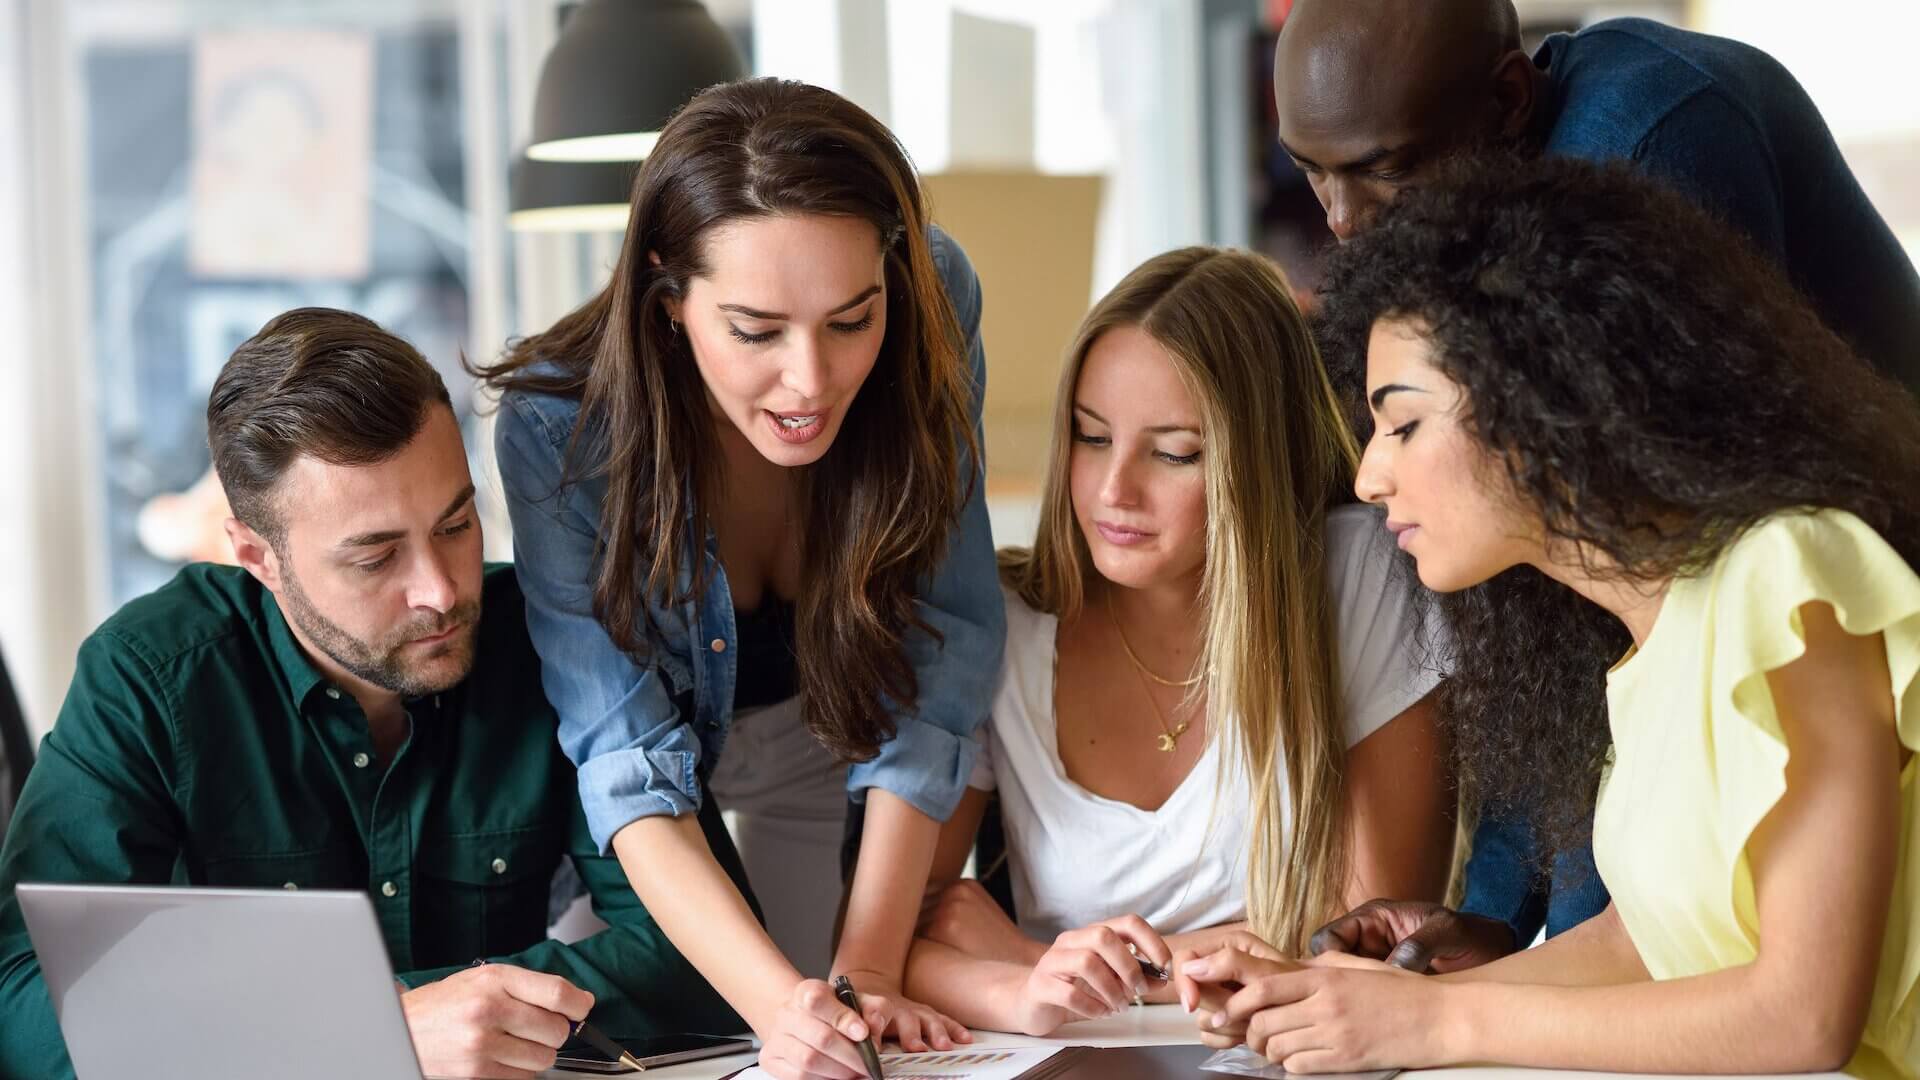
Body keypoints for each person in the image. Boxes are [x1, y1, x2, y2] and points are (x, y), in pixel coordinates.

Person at [1178, 155, 1920, 1079]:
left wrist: (1437, 1028)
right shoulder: (1645, 640)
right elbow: (1641, 948)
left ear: (1543, 399)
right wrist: (1352, 1006)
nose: (1369, 477)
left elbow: (1805, 1017)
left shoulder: (1789, 577)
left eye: (1402, 424)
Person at [1272, 0, 1920, 968]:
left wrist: (1544, 963)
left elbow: (1622, 623)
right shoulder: (1488, 205)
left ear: (1507, 101)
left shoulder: (1650, 149)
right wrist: (1494, 918)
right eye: (1312, 173)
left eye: (1385, 168)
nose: (1343, 222)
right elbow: (1536, 608)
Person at [0, 308, 736, 1080]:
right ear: (258, 556)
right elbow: (23, 1005)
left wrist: (434, 1018)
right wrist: (365, 1031)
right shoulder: (150, 677)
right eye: (375, 558)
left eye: (456, 524)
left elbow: (704, 959)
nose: (441, 591)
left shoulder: (550, 645)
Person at [481, 78, 1004, 1080]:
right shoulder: (560, 426)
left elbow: (945, 646)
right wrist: (783, 1012)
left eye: (853, 320)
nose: (810, 380)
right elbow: (626, 762)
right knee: (699, 1040)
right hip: (654, 794)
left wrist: (866, 972)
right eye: (756, 332)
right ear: (669, 300)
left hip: (839, 728)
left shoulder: (937, 297)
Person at [900, 247, 1452, 1036]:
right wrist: (1024, 986)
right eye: (1092, 438)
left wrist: (1035, 958)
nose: (1113, 491)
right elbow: (901, 944)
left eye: (1173, 453)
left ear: (1255, 461)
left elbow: (1370, 944)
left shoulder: (1359, 575)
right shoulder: (1004, 623)